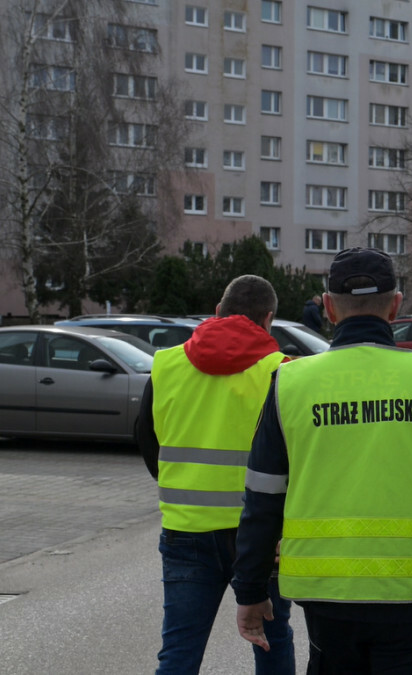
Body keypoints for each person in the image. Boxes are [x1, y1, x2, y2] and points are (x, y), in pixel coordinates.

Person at [233, 247, 412, 674]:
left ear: (329, 307)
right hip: (411, 596)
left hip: (327, 595)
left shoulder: (289, 383)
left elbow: (262, 500)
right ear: (395, 305)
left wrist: (250, 590)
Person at [137, 274, 295, 674]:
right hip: (263, 534)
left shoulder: (166, 365)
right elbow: (299, 457)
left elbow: (147, 442)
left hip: (187, 529)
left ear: (217, 311)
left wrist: (185, 484)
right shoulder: (283, 373)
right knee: (272, 642)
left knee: (179, 649)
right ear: (269, 319)